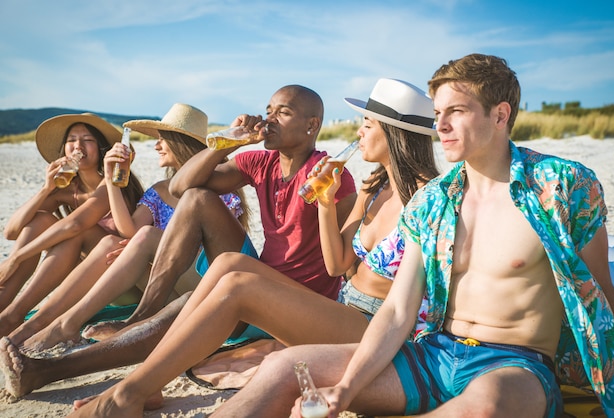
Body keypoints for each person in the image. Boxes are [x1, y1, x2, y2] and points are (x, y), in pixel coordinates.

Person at [208, 54, 614, 418]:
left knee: (483, 408)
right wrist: (346, 388)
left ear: (500, 115)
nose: (440, 125)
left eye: (456, 112)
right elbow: (396, 312)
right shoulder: (433, 200)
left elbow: (601, 294)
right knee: (285, 368)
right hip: (434, 353)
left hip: (515, 364)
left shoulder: (563, 187)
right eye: (437, 113)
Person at [54, 79, 442, 417]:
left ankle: (128, 394)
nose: (357, 133)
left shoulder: (431, 198)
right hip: (344, 305)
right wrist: (322, 203)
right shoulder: (373, 189)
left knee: (237, 283)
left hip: (376, 325)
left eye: (367, 124)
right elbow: (339, 263)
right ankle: (147, 378)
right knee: (228, 265)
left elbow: (411, 291)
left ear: (394, 133)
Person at [0, 83, 360, 399]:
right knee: (197, 200)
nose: (268, 120)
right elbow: (180, 187)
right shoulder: (259, 162)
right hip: (260, 273)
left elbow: (340, 260)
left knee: (190, 307)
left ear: (312, 125)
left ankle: (45, 370)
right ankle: (140, 316)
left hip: (297, 299)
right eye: (267, 111)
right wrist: (227, 143)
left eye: (283, 113)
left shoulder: (329, 175)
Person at [7, 103, 249, 351]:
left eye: (161, 139)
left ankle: (58, 324)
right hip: (163, 286)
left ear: (179, 142)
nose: (156, 146)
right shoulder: (160, 190)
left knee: (142, 237)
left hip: (201, 284)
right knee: (116, 242)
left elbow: (211, 251)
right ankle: (48, 324)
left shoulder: (219, 188)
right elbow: (129, 232)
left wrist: (149, 247)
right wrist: (112, 181)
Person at [0, 114, 144, 337]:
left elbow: (76, 224)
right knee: (41, 219)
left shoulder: (113, 180)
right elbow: (12, 231)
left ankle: (14, 315)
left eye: (87, 140)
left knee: (78, 230)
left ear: (101, 148)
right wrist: (46, 189)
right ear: (64, 149)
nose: (78, 146)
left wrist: (15, 258)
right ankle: (4, 307)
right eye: (72, 140)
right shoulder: (67, 189)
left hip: (121, 281)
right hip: (83, 279)